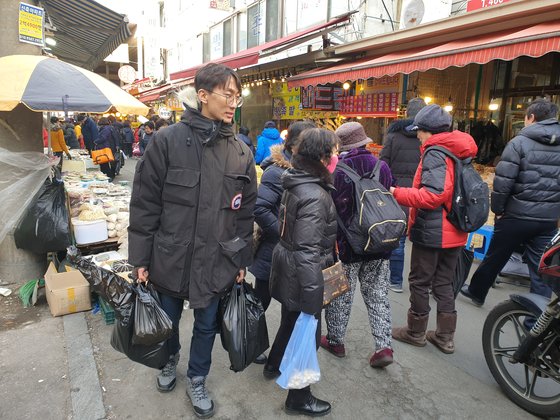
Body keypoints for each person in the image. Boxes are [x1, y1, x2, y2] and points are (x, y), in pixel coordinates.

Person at [128, 62, 257, 419]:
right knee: (167, 320)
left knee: (206, 324)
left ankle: (197, 376)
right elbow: (145, 204)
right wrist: (141, 259)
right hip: (171, 255)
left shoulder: (242, 152)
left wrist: (241, 262)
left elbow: (244, 215)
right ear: (202, 95)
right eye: (226, 95)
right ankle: (169, 362)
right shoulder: (167, 141)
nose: (233, 103)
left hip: (218, 259)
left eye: (237, 96)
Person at [390, 104, 477, 354]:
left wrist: (398, 193)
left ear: (429, 131)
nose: (417, 135)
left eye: (419, 131)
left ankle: (416, 331)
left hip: (434, 230)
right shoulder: (458, 149)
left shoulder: (435, 152)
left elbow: (433, 195)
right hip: (457, 228)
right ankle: (445, 336)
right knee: (444, 283)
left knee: (419, 281)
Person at [460, 98, 560, 306]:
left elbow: (503, 182)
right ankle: (537, 316)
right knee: (540, 268)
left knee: (496, 256)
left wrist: (498, 209)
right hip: (548, 218)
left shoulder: (519, 143)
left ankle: (477, 292)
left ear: (531, 117)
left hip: (516, 215)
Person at [268, 127, 338, 417]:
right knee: (306, 333)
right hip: (303, 273)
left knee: (290, 320)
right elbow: (308, 250)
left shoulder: (299, 182)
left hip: (290, 267)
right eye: (333, 152)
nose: (337, 156)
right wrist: (313, 295)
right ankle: (299, 397)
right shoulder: (314, 194)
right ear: (321, 157)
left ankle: (274, 364)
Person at [319, 122, 395, 368]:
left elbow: (330, 209)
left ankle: (336, 341)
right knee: (378, 295)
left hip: (347, 246)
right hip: (379, 242)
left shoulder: (337, 171)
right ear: (365, 142)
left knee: (340, 294)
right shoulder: (382, 167)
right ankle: (384, 346)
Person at [249, 121, 315, 366]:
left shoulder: (307, 169)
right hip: (274, 248)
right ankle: (252, 343)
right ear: (294, 145)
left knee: (291, 304)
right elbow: (260, 207)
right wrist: (282, 234)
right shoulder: (276, 172)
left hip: (295, 252)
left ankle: (279, 355)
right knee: (260, 300)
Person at [380, 98, 426, 293]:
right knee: (423, 240)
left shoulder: (393, 135)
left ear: (407, 113)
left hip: (396, 191)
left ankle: (396, 281)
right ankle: (423, 284)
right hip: (421, 192)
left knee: (398, 237)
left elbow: (383, 164)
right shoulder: (428, 137)